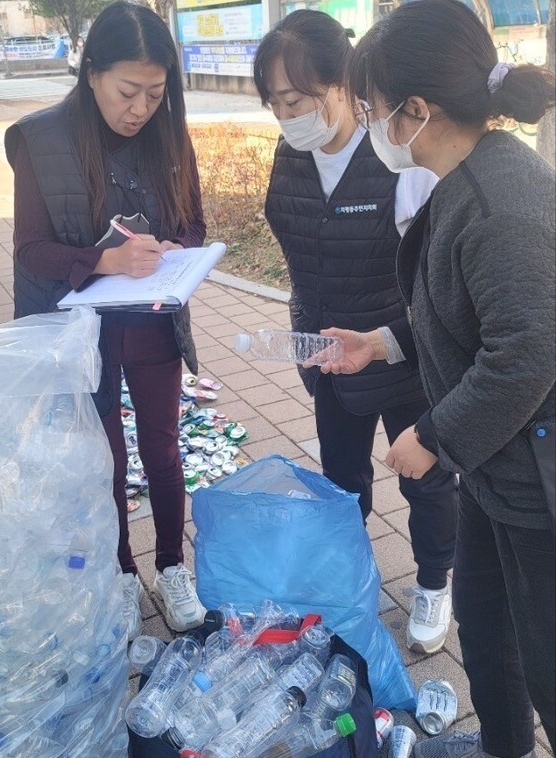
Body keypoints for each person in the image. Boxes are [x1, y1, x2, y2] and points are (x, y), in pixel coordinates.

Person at [321, 1, 555, 755]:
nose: (370, 124)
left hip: (536, 483)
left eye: (373, 109)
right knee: (488, 629)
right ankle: (504, 745)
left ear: (417, 109)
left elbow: (526, 349)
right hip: (494, 468)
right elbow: (461, 315)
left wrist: (433, 434)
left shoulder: (501, 202)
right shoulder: (461, 176)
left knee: (545, 655)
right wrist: (383, 344)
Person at [253, 9, 458, 654]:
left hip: (401, 352)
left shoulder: (398, 157)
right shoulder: (293, 155)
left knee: (423, 474)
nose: (290, 116)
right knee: (341, 478)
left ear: (343, 85)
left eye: (302, 98)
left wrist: (388, 338)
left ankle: (432, 581)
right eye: (276, 103)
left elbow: (434, 277)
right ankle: (348, 576)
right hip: (326, 354)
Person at [4, 0, 207, 640]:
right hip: (85, 332)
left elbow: (194, 223)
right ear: (91, 72)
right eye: (128, 90)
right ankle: (121, 575)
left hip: (151, 324)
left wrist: (179, 248)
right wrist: (104, 259)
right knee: (107, 459)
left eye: (155, 92)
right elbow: (31, 249)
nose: (141, 108)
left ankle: (172, 567)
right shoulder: (40, 140)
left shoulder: (169, 136)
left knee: (164, 448)